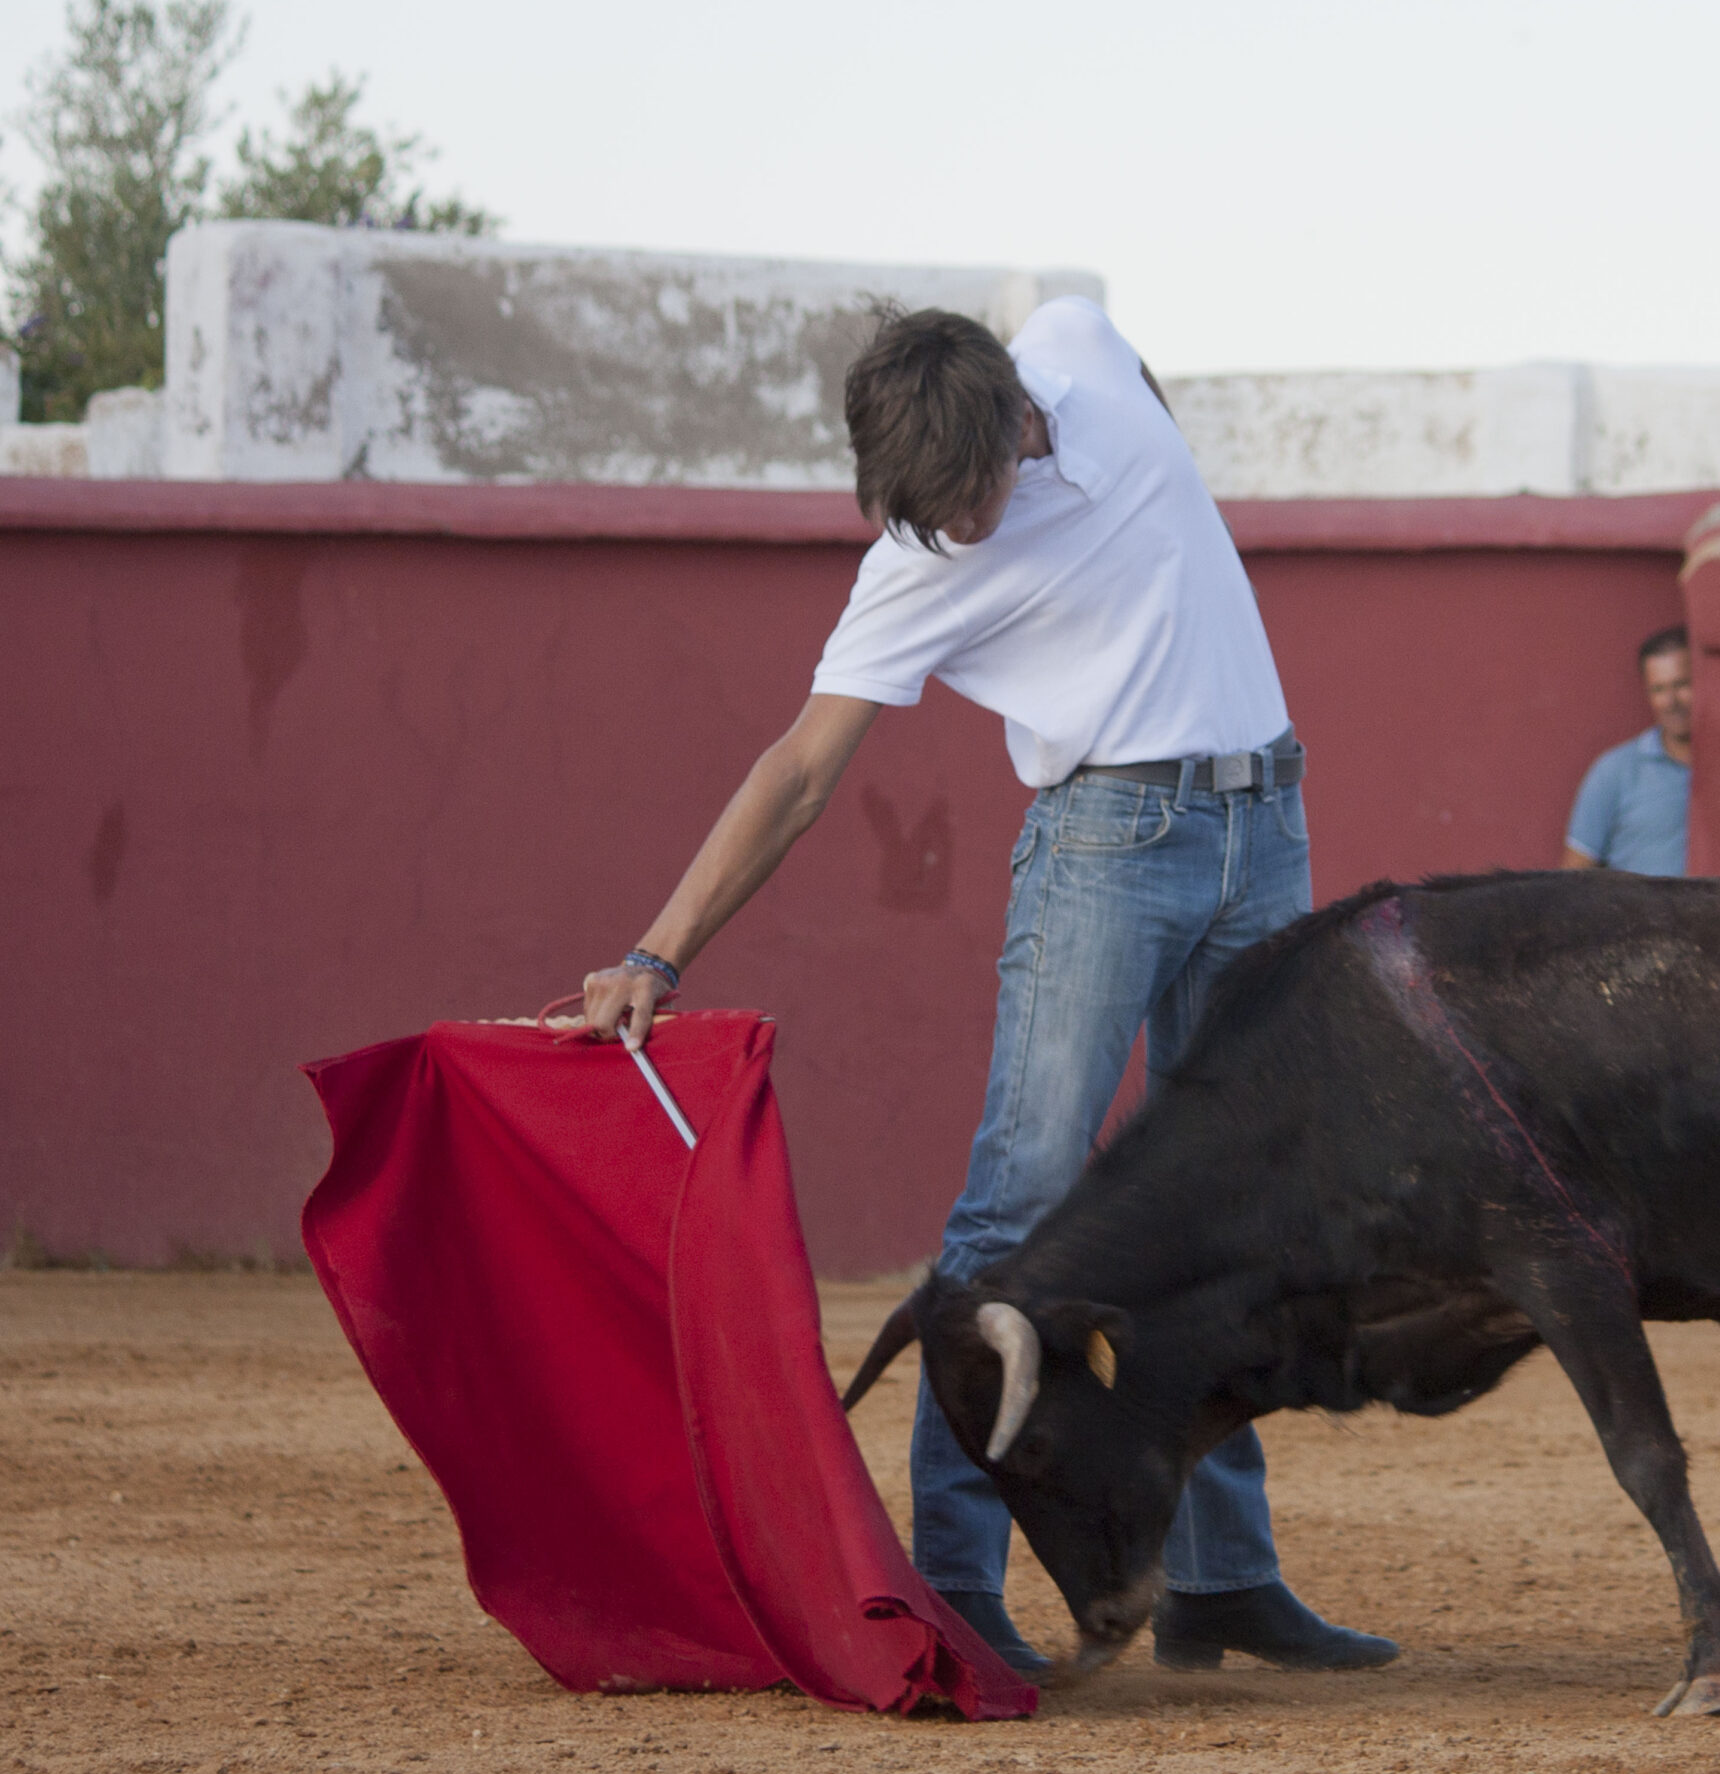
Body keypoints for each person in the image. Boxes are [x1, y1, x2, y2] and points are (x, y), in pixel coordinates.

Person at [576, 298, 1394, 1682]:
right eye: (929, 511)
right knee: (1022, 1205)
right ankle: (955, 1581)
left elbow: (1123, 363)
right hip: (1109, 848)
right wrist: (658, 953)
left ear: (1021, 416)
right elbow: (800, 768)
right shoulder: (917, 560)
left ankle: (1222, 1578)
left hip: (1269, 823)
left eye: (969, 497)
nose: (956, 530)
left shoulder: (1079, 351)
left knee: (1229, 1207)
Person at [1562, 628, 1693, 874]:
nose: (1671, 702)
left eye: (1681, 684)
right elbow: (1573, 877)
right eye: (1659, 689)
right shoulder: (1614, 770)